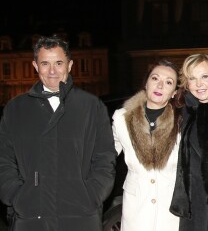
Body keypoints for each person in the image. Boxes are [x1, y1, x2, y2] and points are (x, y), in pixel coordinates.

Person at [0, 35, 116, 231]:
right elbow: (4, 159)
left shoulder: (91, 106)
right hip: (30, 217)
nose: (52, 70)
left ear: (69, 65)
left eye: (58, 63)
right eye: (45, 63)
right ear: (35, 66)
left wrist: (91, 195)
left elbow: (105, 158)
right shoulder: (15, 109)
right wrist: (17, 196)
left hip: (80, 216)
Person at [112, 59, 182, 231]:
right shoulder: (122, 118)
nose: (160, 86)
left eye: (168, 82)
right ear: (146, 83)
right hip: (135, 212)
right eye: (155, 78)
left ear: (174, 92)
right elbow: (104, 157)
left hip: (170, 215)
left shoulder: (182, 122)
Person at [170, 54, 208, 230]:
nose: (199, 84)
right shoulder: (183, 112)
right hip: (193, 204)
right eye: (192, 78)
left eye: (204, 76)